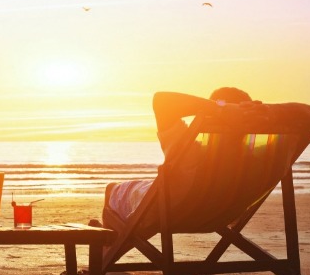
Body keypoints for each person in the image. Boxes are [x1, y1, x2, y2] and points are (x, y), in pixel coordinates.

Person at [90, 87, 255, 228]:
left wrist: (218, 107)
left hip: (172, 209)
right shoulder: (253, 157)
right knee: (144, 188)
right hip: (222, 213)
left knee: (112, 189)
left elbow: (162, 100)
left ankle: (107, 244)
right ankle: (111, 237)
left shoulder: (190, 149)